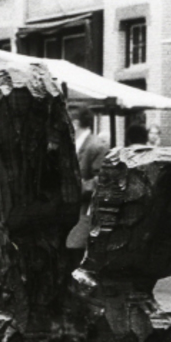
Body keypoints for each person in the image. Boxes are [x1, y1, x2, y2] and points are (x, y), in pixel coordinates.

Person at [65, 105, 110, 259]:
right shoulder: (74, 144)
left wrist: (76, 188)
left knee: (75, 252)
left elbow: (102, 179)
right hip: (70, 212)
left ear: (75, 123)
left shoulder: (97, 146)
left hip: (84, 212)